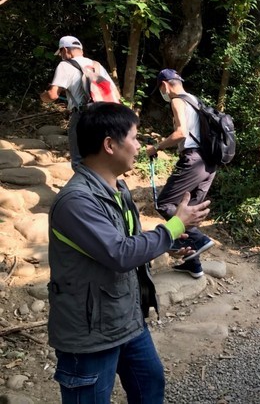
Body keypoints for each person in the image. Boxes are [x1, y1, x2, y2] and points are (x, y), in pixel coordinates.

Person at [47, 102, 211, 403]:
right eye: (134, 138)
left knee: (150, 386)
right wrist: (172, 228)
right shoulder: (76, 201)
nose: (139, 146)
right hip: (89, 333)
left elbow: (124, 243)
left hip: (126, 318)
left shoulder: (117, 189)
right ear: (109, 144)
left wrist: (167, 248)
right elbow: (119, 253)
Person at [146, 69, 216, 279]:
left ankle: (199, 239)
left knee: (165, 203)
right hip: (210, 162)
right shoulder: (196, 101)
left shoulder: (177, 101)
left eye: (161, 88)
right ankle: (193, 264)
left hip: (193, 159)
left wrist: (156, 148)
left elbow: (181, 133)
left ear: (165, 85)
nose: (162, 92)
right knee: (188, 211)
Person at [40, 36, 118, 169]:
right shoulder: (96, 65)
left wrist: (43, 97)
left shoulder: (65, 65)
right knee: (102, 158)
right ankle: (107, 189)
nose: (61, 57)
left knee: (79, 160)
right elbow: (115, 94)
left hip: (83, 116)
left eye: (61, 54)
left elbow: (53, 95)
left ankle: (83, 189)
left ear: (65, 50)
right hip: (106, 116)